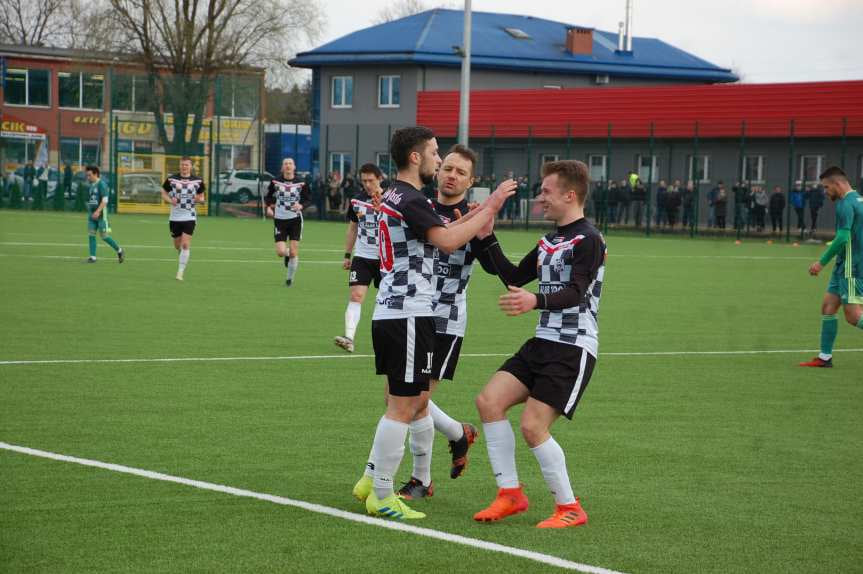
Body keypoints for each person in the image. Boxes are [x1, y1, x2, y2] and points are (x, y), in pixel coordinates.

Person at [352, 126, 513, 521]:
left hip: (399, 309)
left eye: (455, 166)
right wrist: (489, 208)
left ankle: (375, 479)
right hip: (410, 310)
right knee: (404, 406)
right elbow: (446, 240)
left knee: (402, 403)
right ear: (415, 157)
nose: (441, 164)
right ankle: (385, 493)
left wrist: (477, 221)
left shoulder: (394, 194)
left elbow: (481, 255)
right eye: (436, 154)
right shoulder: (412, 199)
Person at [471, 160, 606, 529]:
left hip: (573, 347)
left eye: (546, 191)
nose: (540, 197)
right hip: (543, 342)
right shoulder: (550, 240)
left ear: (570, 194)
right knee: (489, 401)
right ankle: (510, 494)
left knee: (532, 426)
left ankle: (570, 507)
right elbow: (514, 275)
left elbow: (577, 293)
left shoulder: (589, 239)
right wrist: (485, 236)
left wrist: (535, 301)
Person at [397, 145, 517, 501]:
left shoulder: (475, 214)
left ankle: (421, 480)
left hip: (445, 320)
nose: (451, 175)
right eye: (448, 168)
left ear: (471, 180)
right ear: (438, 170)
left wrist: (487, 233)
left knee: (415, 399)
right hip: (409, 311)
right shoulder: (420, 206)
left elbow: (498, 269)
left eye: (460, 172)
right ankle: (458, 433)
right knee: (402, 395)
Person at [799, 166, 863, 367]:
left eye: (827, 188)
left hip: (852, 267)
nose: (825, 192)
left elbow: (842, 238)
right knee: (828, 307)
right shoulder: (859, 200)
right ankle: (825, 357)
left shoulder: (845, 204)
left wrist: (821, 262)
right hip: (844, 265)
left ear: (838, 184)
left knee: (853, 316)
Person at [334, 163, 384, 352]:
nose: (367, 184)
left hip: (386, 259)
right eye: (364, 181)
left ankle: (389, 340)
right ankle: (349, 337)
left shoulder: (390, 199)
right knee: (356, 295)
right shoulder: (357, 201)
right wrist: (347, 254)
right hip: (362, 257)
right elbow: (352, 228)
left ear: (380, 179)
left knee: (385, 301)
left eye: (371, 180)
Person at [265, 157, 310, 287]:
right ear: (282, 167)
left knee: (294, 253)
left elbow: (308, 198)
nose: (288, 166)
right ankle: (287, 254)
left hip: (295, 220)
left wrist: (301, 206)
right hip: (279, 220)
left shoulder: (301, 182)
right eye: (285, 164)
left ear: (294, 167)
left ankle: (289, 280)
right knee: (280, 252)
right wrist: (269, 207)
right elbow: (269, 196)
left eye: (290, 164)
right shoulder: (275, 181)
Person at [161, 157, 205, 281]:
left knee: (185, 245)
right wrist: (171, 200)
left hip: (189, 216)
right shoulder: (171, 179)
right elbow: (163, 193)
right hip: (174, 217)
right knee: (177, 245)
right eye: (182, 165)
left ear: (191, 167)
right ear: (179, 166)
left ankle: (180, 272)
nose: (184, 167)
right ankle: (183, 257)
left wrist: (199, 200)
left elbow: (202, 198)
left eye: (186, 165)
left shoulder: (198, 181)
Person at [84, 165, 124, 264]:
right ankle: (92, 257)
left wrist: (98, 211)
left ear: (95, 174)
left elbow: (105, 200)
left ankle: (119, 250)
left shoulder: (102, 184)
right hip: (92, 215)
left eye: (89, 175)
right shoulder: (91, 185)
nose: (88, 177)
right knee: (91, 234)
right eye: (87, 175)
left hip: (101, 215)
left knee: (104, 236)